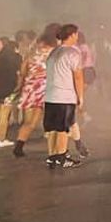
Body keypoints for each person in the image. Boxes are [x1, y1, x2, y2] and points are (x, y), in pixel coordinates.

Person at [13, 24, 59, 159]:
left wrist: (21, 84)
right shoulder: (56, 51)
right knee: (53, 122)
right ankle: (55, 152)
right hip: (47, 87)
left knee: (29, 122)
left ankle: (19, 146)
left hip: (31, 87)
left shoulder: (34, 50)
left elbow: (23, 68)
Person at [43, 24, 84, 168]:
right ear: (72, 35)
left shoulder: (54, 52)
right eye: (76, 34)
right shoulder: (73, 53)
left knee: (52, 129)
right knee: (63, 129)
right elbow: (78, 77)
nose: (77, 37)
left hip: (49, 96)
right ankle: (61, 157)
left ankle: (52, 156)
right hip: (64, 97)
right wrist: (80, 97)